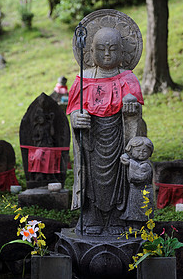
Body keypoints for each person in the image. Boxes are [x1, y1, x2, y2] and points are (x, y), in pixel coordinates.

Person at [67, 25, 144, 236]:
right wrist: (76, 118)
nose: (107, 54)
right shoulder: (84, 79)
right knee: (91, 180)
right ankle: (91, 216)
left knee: (120, 176)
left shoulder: (128, 79)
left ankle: (118, 219)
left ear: (122, 52)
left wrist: (131, 110)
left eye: (113, 49)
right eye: (101, 49)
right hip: (92, 141)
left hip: (119, 138)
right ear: (91, 52)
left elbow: (136, 118)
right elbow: (74, 110)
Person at [120, 136, 154, 228]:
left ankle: (139, 228)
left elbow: (139, 176)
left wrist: (129, 162)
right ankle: (132, 227)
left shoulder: (146, 165)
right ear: (131, 151)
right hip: (134, 192)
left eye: (145, 151)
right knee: (133, 211)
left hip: (143, 192)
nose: (141, 153)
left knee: (142, 211)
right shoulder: (135, 161)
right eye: (138, 150)